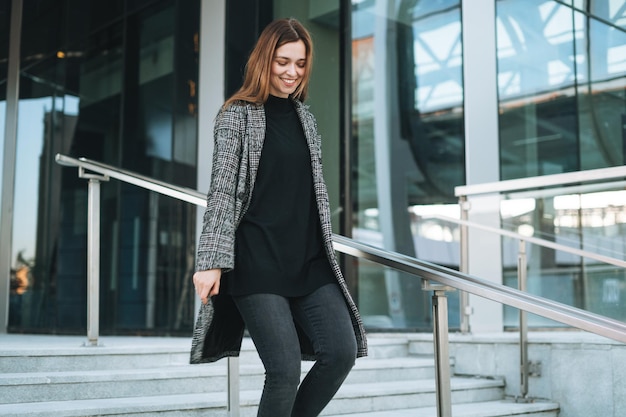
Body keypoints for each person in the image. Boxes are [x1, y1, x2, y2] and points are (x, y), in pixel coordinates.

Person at [190, 17, 367, 417]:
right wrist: (211, 261)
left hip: (308, 259)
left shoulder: (306, 119)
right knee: (284, 370)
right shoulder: (237, 115)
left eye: (300, 64)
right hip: (256, 260)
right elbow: (222, 192)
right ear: (264, 60)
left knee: (341, 351)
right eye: (282, 61)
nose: (292, 72)